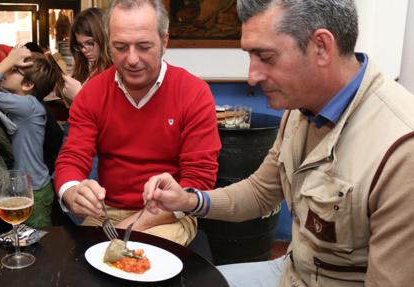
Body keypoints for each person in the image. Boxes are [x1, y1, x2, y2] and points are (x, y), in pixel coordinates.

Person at [143, 0, 414, 286]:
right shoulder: (299, 111)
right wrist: (188, 200)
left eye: (266, 57)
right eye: (250, 56)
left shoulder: (401, 150)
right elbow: (260, 193)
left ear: (321, 47)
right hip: (292, 272)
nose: (252, 76)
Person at [54, 0, 221, 246]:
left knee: (137, 263)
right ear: (108, 44)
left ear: (164, 42)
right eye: (120, 47)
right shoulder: (93, 93)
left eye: (144, 46)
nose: (131, 60)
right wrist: (71, 192)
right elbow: (72, 157)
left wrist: (128, 230)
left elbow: (198, 180)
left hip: (169, 214)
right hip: (106, 212)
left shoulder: (194, 92)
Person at [0, 46, 64, 228]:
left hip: (35, 190)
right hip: (26, 186)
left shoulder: (28, 105)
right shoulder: (22, 102)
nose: (7, 71)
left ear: (28, 85)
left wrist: (9, 59)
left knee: (37, 243)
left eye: (15, 70)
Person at [62, 7, 113, 105]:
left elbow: (110, 116)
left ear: (104, 37)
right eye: (80, 45)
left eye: (90, 43)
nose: (84, 50)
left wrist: (78, 95)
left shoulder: (116, 72)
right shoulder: (94, 68)